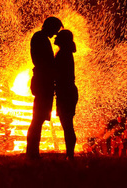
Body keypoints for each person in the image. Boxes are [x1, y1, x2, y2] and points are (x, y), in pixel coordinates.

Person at [26, 16, 63, 159]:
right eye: (55, 29)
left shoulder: (41, 38)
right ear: (50, 26)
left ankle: (33, 152)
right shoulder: (40, 38)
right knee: (37, 119)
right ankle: (32, 153)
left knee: (38, 119)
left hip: (43, 81)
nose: (55, 34)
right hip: (42, 81)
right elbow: (44, 62)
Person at [54, 29, 79, 160]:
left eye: (57, 36)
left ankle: (70, 155)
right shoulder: (66, 53)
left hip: (66, 92)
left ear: (62, 40)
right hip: (67, 91)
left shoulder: (63, 54)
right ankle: (69, 154)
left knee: (67, 125)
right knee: (67, 124)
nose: (54, 38)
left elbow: (57, 73)